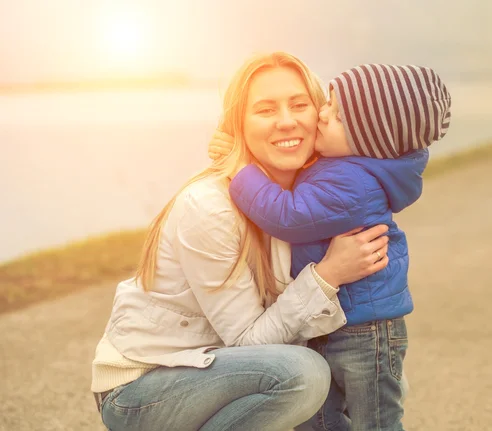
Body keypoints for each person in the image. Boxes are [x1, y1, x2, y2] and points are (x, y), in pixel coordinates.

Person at [90, 52, 393, 431]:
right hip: (145, 389)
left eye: (300, 105)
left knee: (371, 374)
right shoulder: (209, 206)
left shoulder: (308, 197)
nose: (286, 121)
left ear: (322, 113)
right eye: (265, 110)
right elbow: (249, 345)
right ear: (239, 124)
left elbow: (400, 154)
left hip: (226, 373)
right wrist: (328, 275)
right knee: (303, 374)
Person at [209, 63, 451, 430]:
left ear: (368, 143)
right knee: (318, 420)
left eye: (336, 116)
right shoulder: (343, 165)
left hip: (364, 332)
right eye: (329, 104)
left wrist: (242, 171)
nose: (322, 115)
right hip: (335, 321)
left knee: (376, 421)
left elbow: (288, 216)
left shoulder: (353, 183)